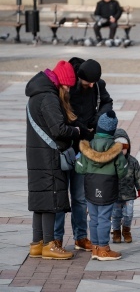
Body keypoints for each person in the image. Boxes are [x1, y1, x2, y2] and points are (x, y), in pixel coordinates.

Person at [54, 58, 113, 253]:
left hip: (84, 147)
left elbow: (107, 102)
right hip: (66, 145)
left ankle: (80, 237)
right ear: (79, 78)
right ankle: (56, 239)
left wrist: (96, 121)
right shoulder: (68, 85)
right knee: (61, 197)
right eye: (89, 82)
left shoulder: (97, 85)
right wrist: (81, 127)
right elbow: (64, 113)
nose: (92, 85)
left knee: (79, 197)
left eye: (95, 82)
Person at [26, 60, 80, 260]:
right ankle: (49, 244)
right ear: (60, 82)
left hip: (36, 155)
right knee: (51, 199)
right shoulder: (49, 98)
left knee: (40, 198)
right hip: (49, 157)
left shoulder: (35, 95)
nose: (67, 89)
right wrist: (76, 131)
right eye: (67, 85)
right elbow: (58, 129)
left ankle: (36, 244)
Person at [76, 110, 127, 261]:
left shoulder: (88, 147)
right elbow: (122, 170)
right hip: (108, 187)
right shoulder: (115, 150)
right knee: (105, 218)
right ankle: (104, 249)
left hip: (91, 186)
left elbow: (79, 168)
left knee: (94, 218)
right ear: (112, 130)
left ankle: (96, 248)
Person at [111, 128, 140, 244]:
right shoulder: (111, 162)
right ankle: (116, 231)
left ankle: (126, 230)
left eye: (124, 148)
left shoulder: (133, 162)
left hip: (129, 194)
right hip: (115, 195)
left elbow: (138, 176)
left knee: (129, 214)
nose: (122, 151)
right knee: (116, 215)